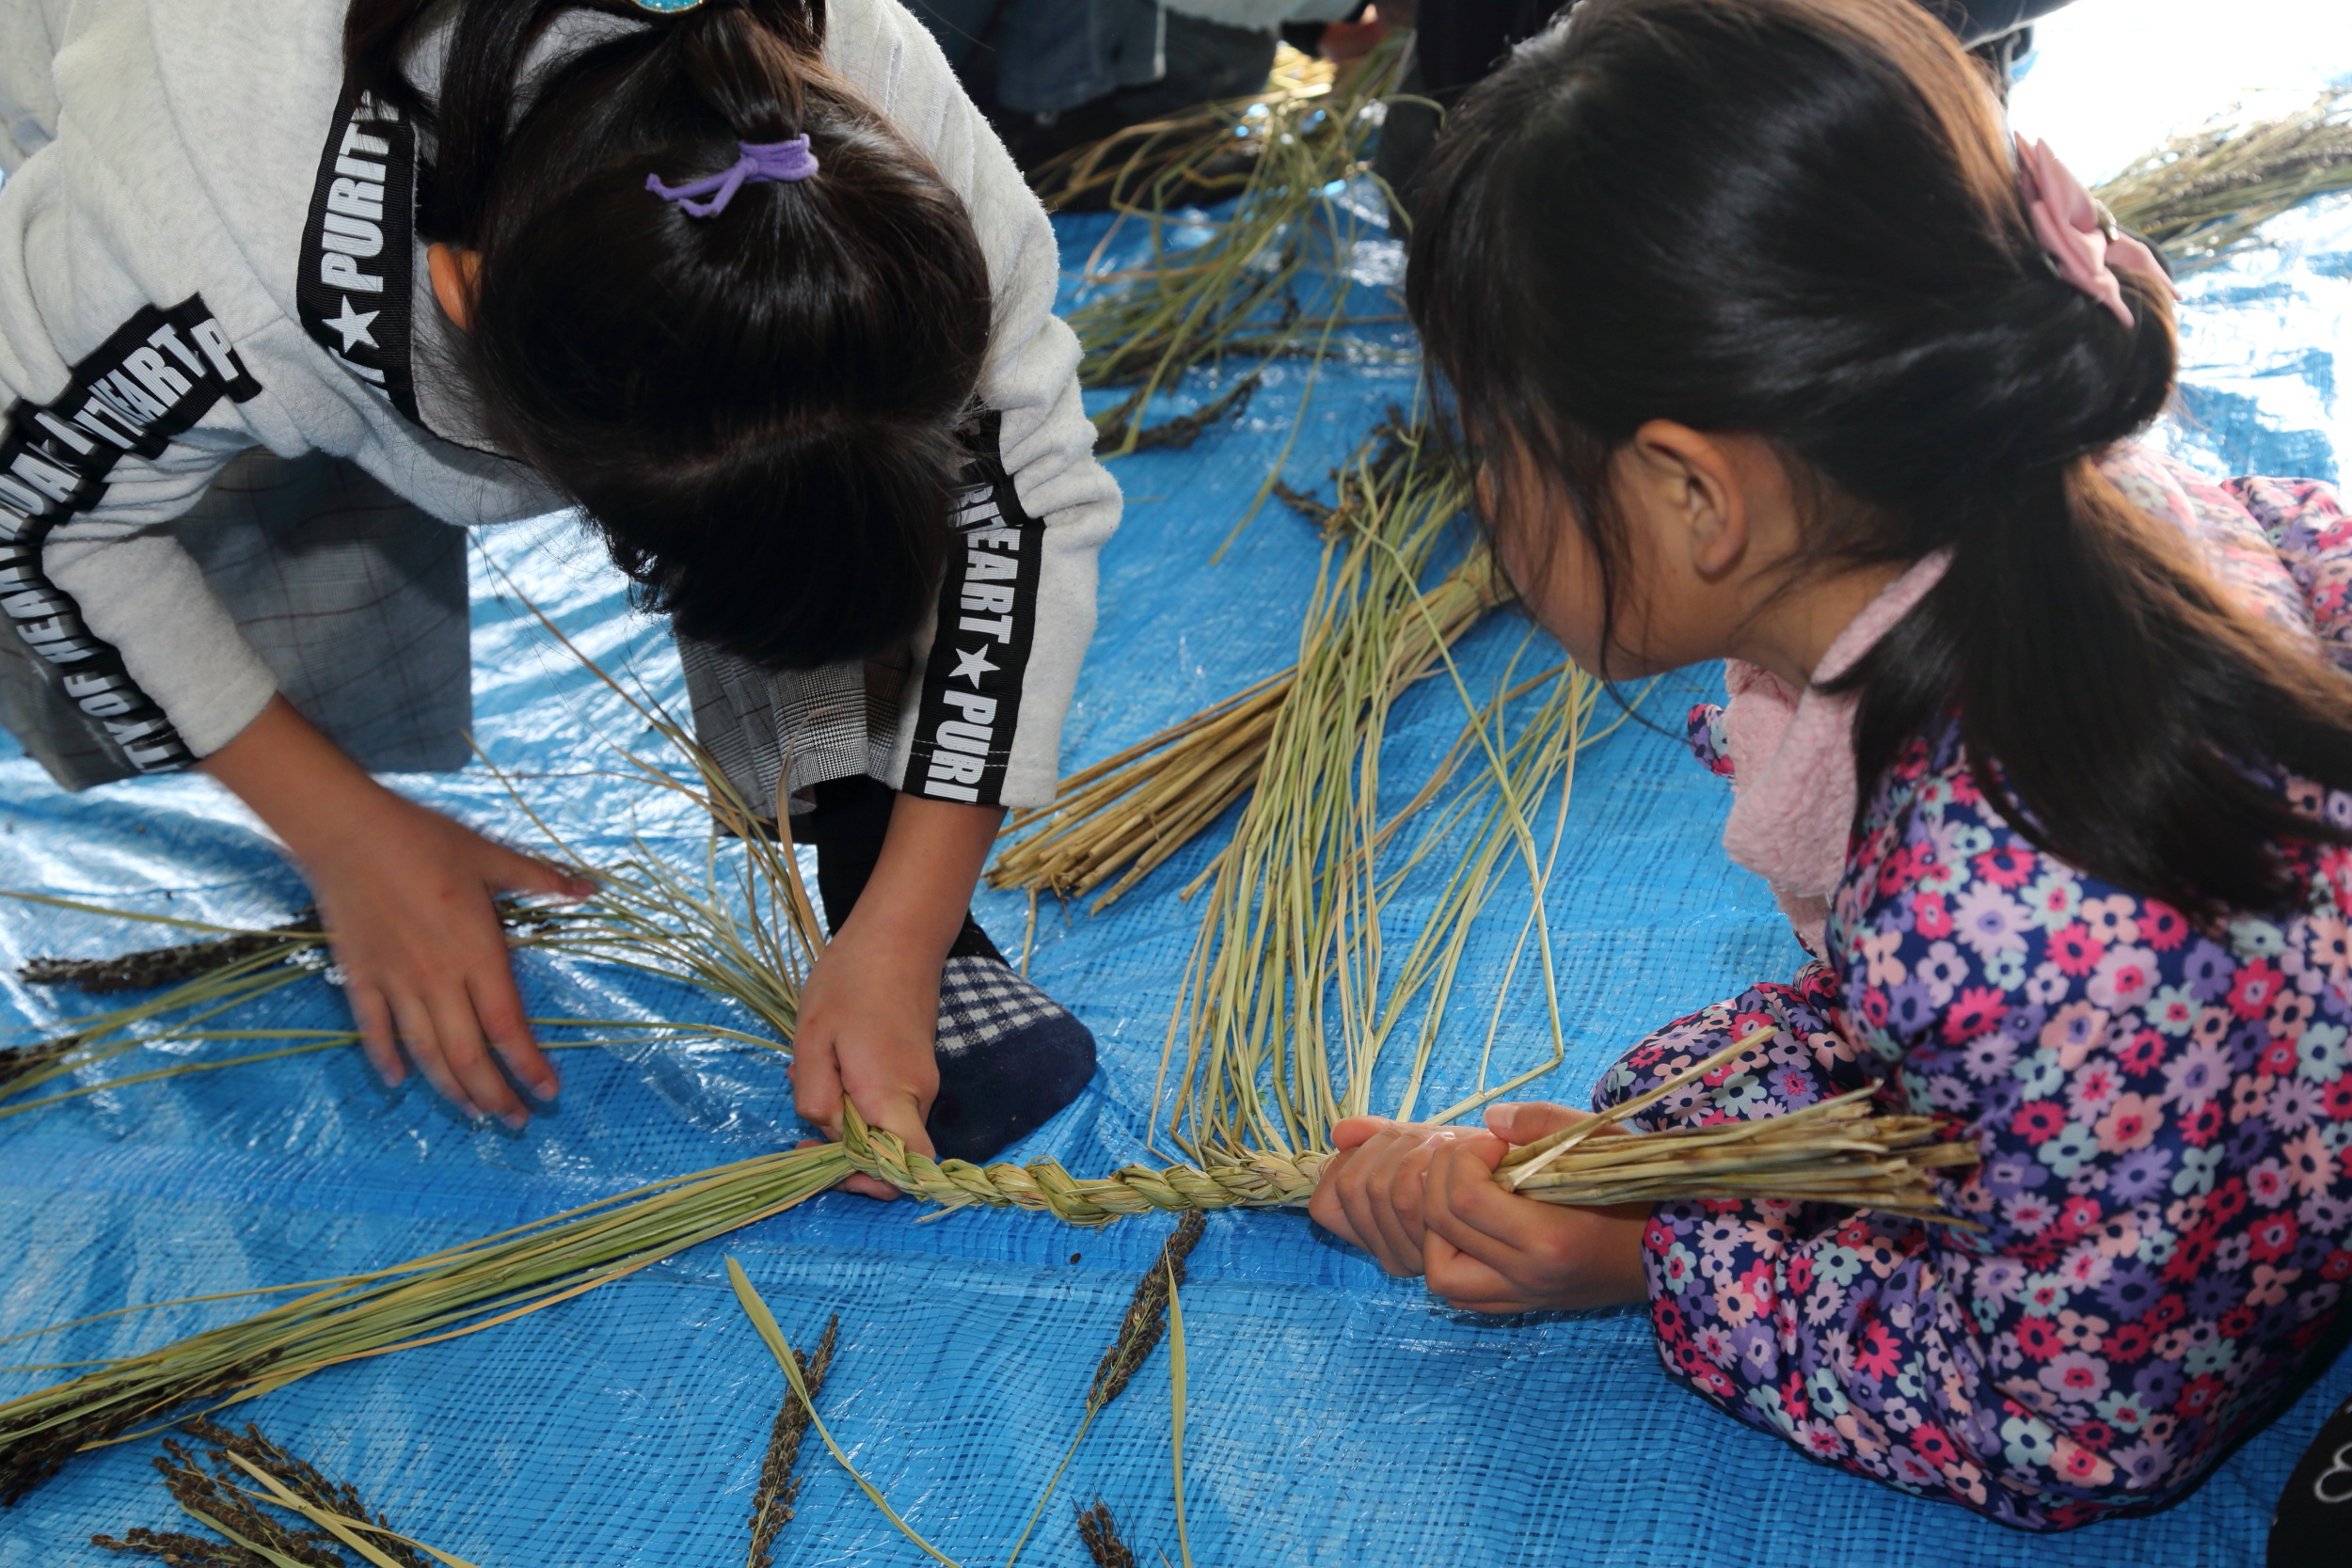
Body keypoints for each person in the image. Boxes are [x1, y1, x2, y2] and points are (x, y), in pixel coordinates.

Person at [1310, 0, 2352, 1530]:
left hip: (2223, 1234)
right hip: (2180, 1030)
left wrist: (1646, 1265)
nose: (1482, 501)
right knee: (1647, 1108)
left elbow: (2082, 1423)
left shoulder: (1984, 907)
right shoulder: (2056, 475)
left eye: (1499, 451)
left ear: (1692, 497)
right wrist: (1660, 1169)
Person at [0, 0, 1115, 1187]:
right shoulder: (195, 234)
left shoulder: (877, 106)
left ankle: (858, 838)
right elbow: (37, 513)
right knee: (254, 581)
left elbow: (1022, 478)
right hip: (156, 127)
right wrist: (340, 826)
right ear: (463, 297)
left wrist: (909, 919)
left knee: (809, 493)